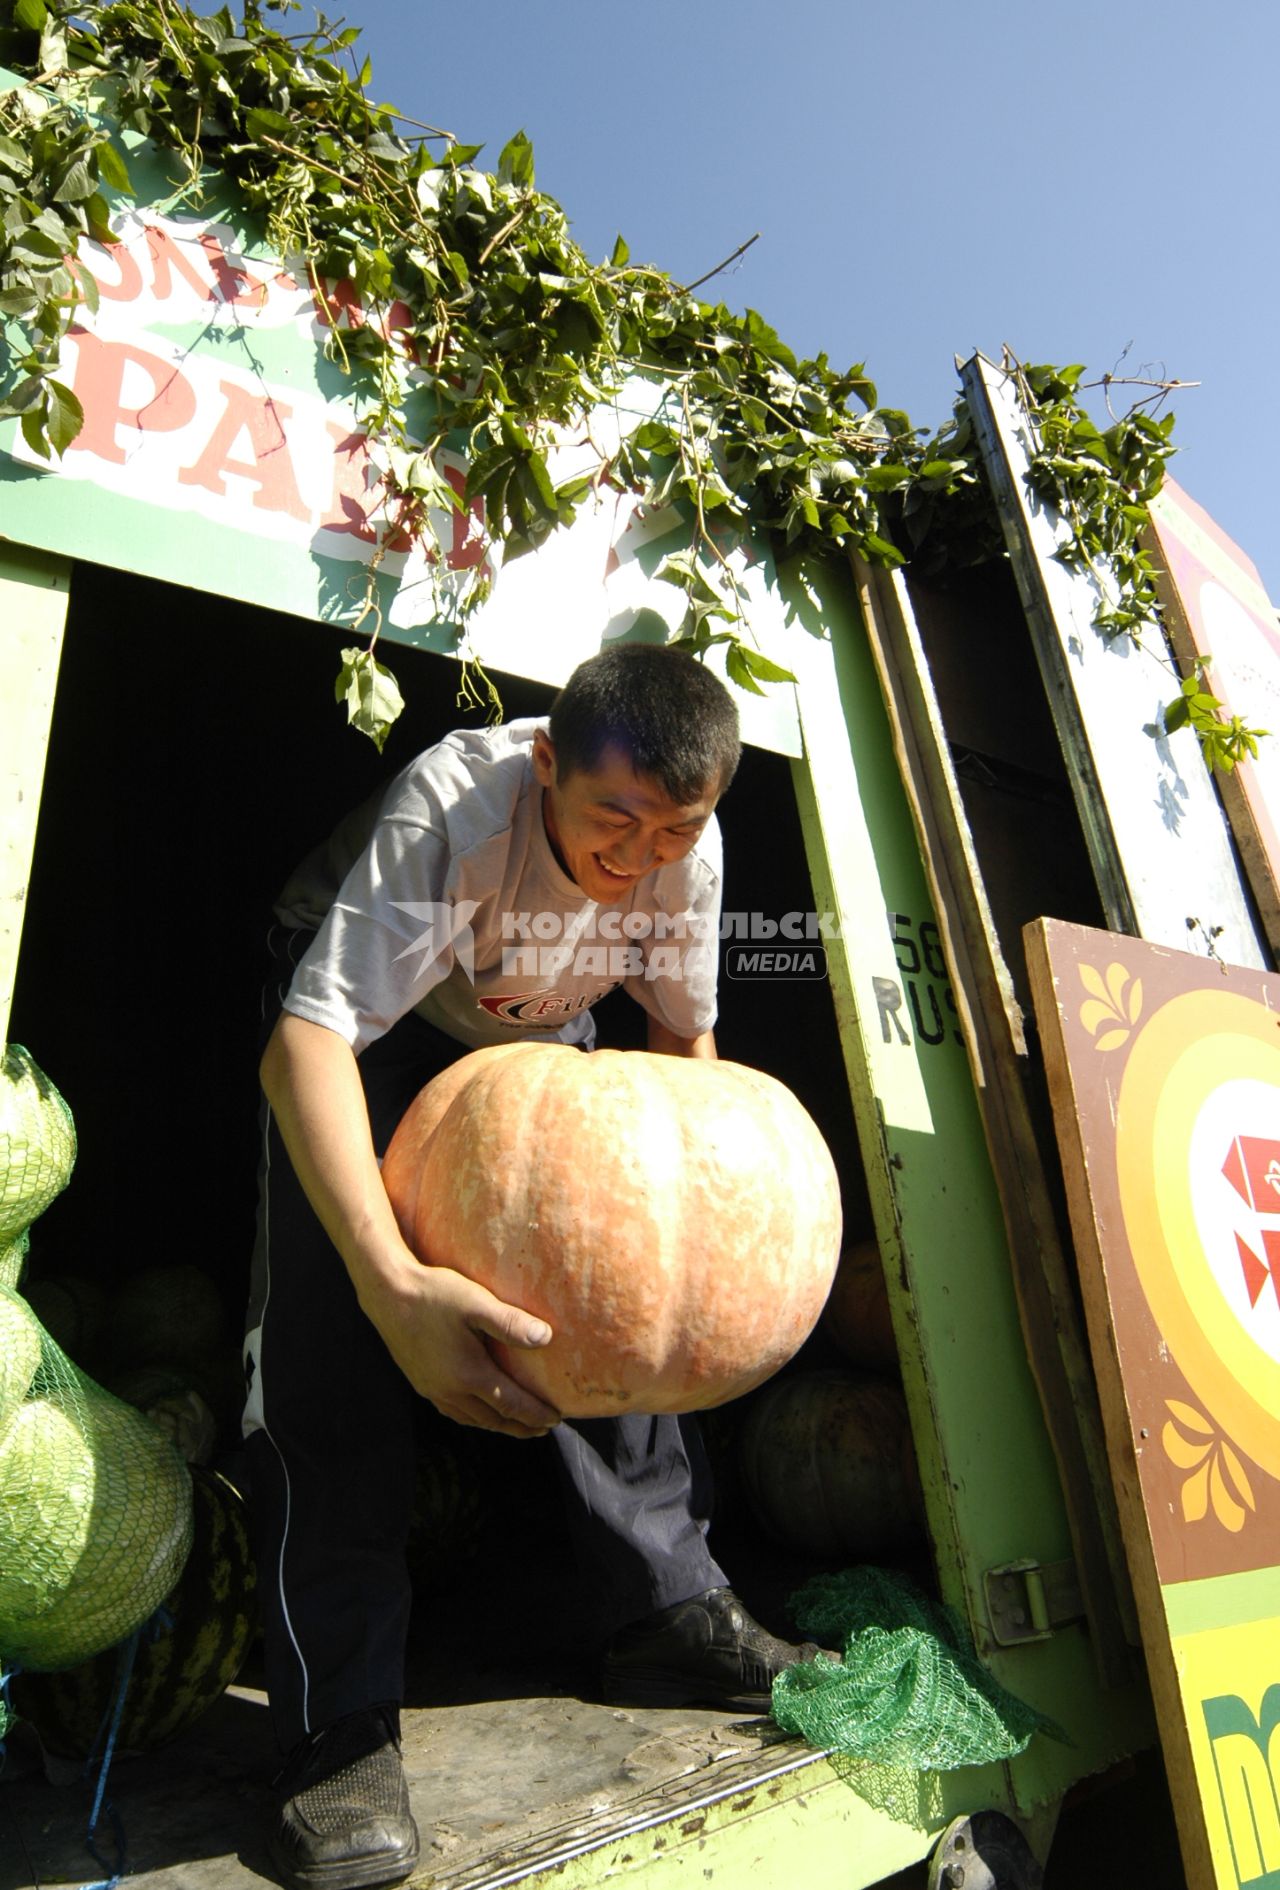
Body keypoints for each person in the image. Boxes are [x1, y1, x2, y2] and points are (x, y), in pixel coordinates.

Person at [243, 641, 829, 1890]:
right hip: (363, 1017)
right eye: (612, 818)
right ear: (547, 764)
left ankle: (668, 1611)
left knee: (609, 1282)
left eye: (673, 829)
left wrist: (684, 1248)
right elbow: (308, 1046)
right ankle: (332, 1725)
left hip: (527, 1010)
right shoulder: (453, 811)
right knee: (334, 1332)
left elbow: (679, 1041)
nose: (637, 858)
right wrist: (394, 1290)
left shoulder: (685, 851)